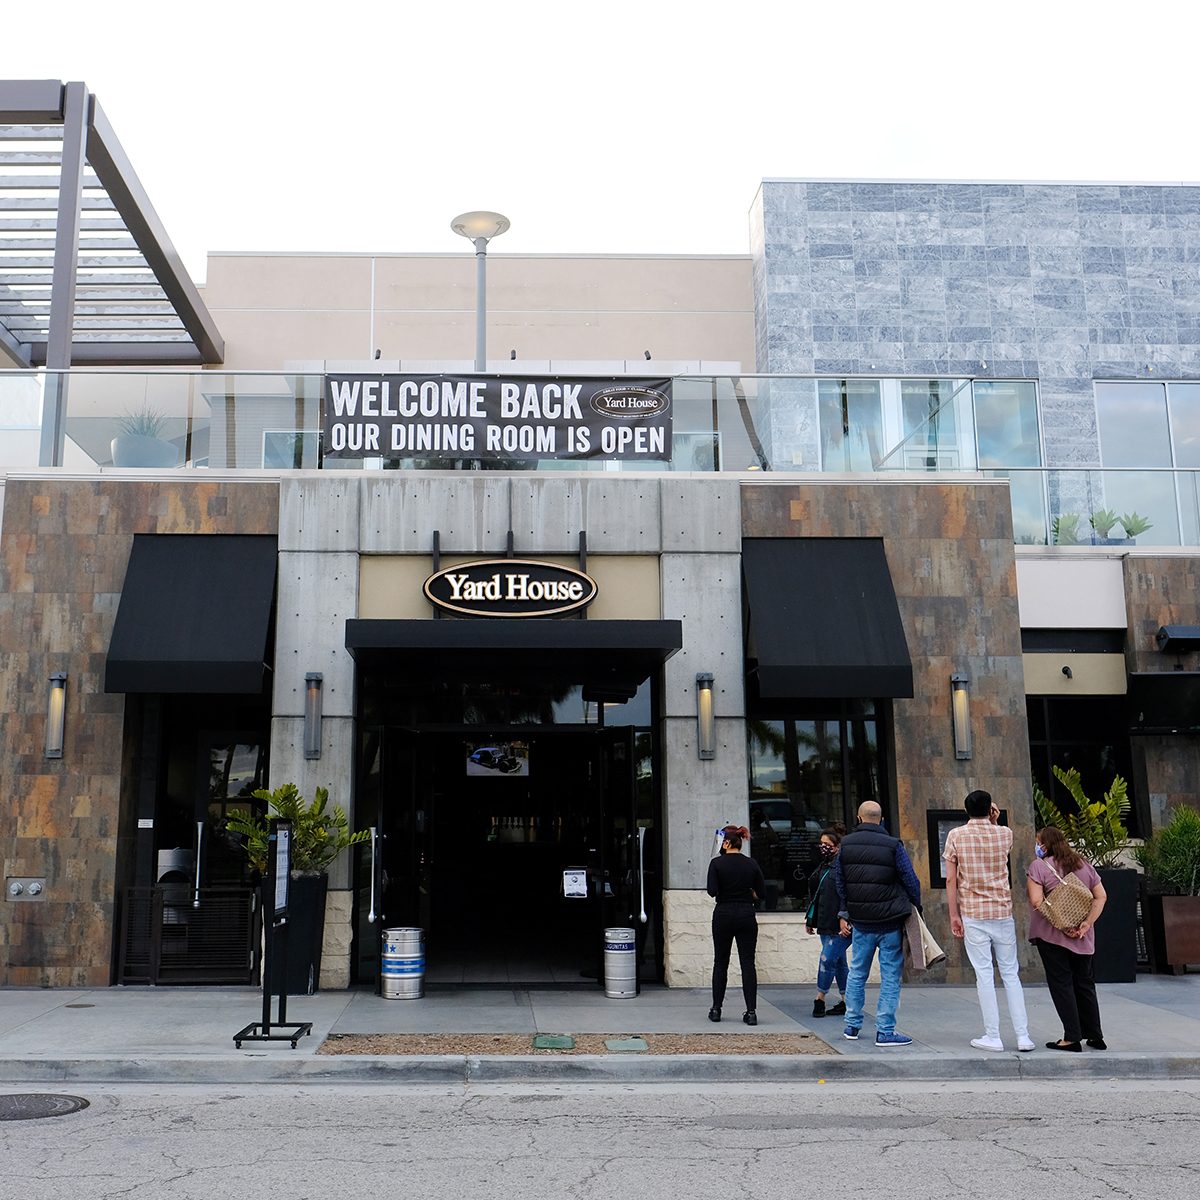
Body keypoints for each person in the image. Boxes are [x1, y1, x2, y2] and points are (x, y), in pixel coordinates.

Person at [943, 789, 1034, 1052]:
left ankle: (993, 1035)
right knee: (1010, 974)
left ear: (966, 810)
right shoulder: (1005, 833)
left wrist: (954, 914)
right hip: (1002, 911)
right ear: (990, 810)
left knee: (984, 975)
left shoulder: (956, 835)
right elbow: (998, 842)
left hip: (973, 913)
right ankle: (1023, 1036)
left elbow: (951, 879)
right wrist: (994, 821)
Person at [835, 800, 922, 1047]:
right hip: (890, 921)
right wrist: (916, 905)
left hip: (861, 921)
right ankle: (885, 1031)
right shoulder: (893, 845)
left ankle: (852, 1025)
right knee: (890, 976)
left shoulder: (846, 845)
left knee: (857, 973)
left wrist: (846, 910)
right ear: (881, 820)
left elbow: (839, 882)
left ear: (858, 818)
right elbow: (910, 879)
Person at [1026, 824, 1108, 1052]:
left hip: (1052, 936)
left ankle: (1071, 1038)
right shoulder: (1083, 864)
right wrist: (1086, 923)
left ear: (1045, 845)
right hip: (1083, 936)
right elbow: (1101, 896)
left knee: (1061, 983)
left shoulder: (1039, 866)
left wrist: (1062, 926)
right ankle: (1095, 1036)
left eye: (1038, 842)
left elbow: (1036, 900)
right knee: (1084, 984)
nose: (1037, 847)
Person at [706, 825, 766, 1026]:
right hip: (746, 913)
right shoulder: (751, 863)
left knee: (720, 961)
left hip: (723, 912)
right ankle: (751, 1012)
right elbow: (761, 893)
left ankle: (716, 1008)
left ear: (726, 842)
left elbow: (712, 891)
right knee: (748, 963)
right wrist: (748, 893)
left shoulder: (717, 863)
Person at [806, 824, 849, 1018]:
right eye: (821, 844)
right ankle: (846, 1000)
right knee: (839, 961)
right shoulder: (823, 865)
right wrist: (810, 919)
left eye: (827, 845)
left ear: (837, 846)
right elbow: (816, 894)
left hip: (838, 922)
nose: (823, 848)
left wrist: (844, 916)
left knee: (827, 959)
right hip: (824, 920)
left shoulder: (842, 866)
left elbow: (846, 894)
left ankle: (820, 998)